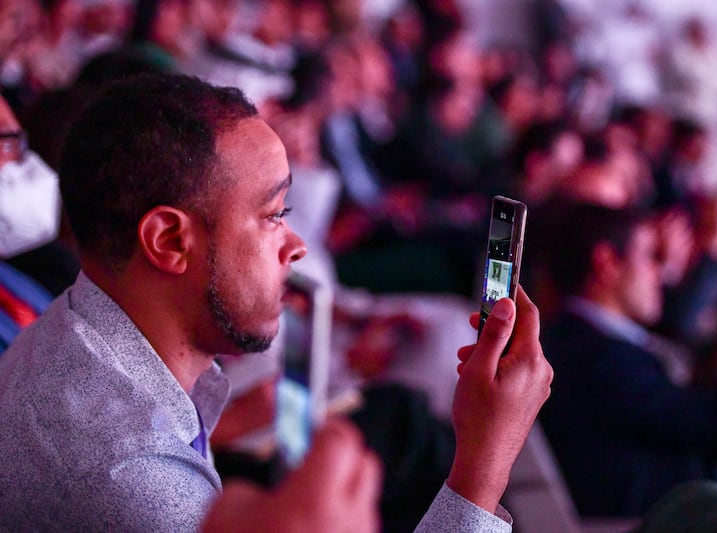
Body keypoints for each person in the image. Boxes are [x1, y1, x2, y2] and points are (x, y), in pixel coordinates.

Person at [0, 73, 553, 532]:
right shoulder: (138, 481)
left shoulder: (79, 331)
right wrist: (484, 465)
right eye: (273, 216)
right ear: (169, 241)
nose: (297, 245)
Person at [538, 202, 717, 517]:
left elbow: (694, 411)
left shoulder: (577, 341)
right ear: (606, 263)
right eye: (651, 256)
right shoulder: (600, 360)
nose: (661, 273)